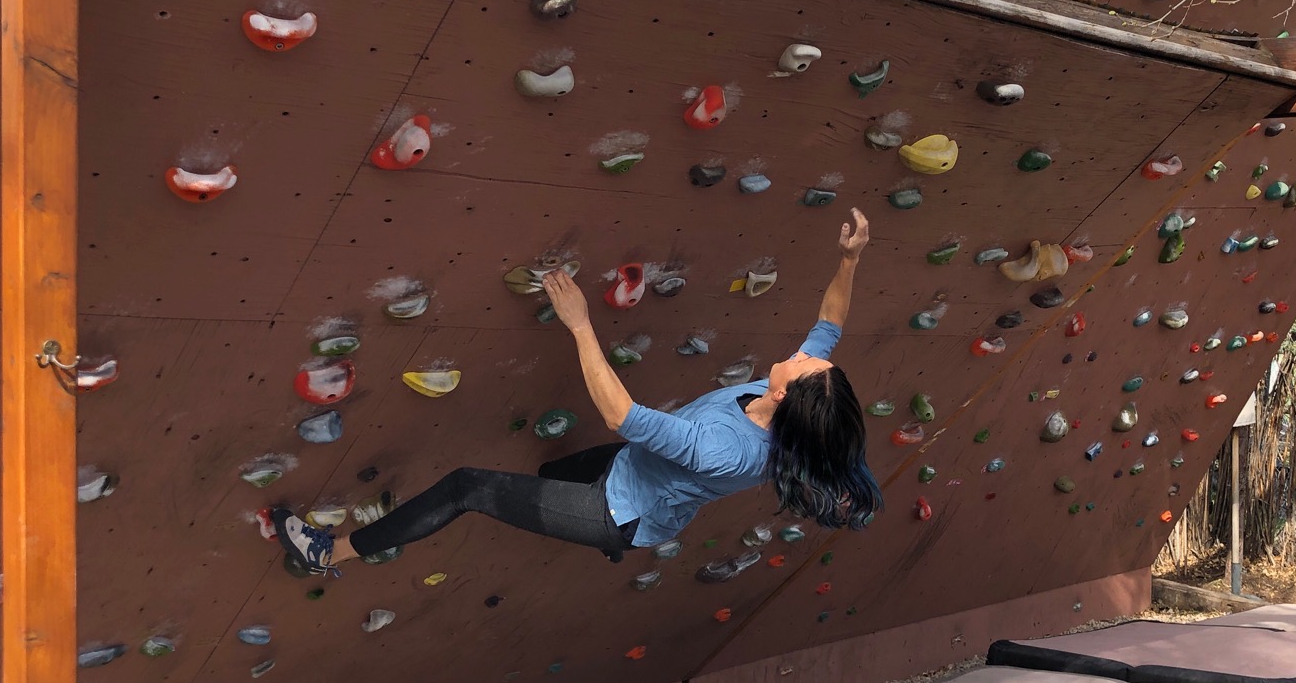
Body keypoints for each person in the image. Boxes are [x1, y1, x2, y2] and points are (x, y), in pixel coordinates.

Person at [272, 209, 881, 578]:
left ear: (784, 400)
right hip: (631, 470)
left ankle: (329, 552)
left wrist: (581, 324)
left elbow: (623, 414)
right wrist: (851, 260)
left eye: (802, 364)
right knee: (547, 469)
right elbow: (831, 323)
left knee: (468, 488)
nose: (804, 353)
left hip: (620, 512)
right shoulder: (792, 399)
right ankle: (592, 529)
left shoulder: (727, 448)